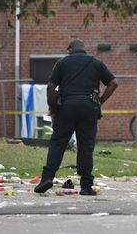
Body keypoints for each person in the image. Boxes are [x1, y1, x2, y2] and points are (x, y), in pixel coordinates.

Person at [34, 39, 118, 195]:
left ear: (70, 49)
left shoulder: (62, 63)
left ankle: (47, 178)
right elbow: (113, 83)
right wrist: (100, 101)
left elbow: (51, 86)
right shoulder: (96, 63)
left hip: (66, 106)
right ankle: (86, 186)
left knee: (58, 143)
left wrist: (52, 108)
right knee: (86, 146)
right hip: (89, 107)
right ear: (84, 49)